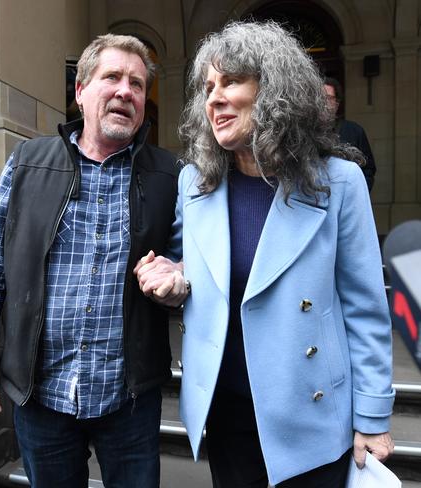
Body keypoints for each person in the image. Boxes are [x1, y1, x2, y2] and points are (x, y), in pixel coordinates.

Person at [135, 21, 395, 488]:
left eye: (230, 81)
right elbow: (191, 266)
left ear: (276, 90)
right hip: (229, 412)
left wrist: (372, 416)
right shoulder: (195, 183)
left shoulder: (338, 181)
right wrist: (174, 277)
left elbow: (366, 310)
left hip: (312, 416)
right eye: (207, 87)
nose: (213, 98)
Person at [0, 33, 179, 488]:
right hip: (42, 394)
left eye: (137, 84)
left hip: (128, 396)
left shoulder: (170, 175)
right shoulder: (27, 164)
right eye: (112, 77)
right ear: (80, 91)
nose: (125, 91)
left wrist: (179, 275)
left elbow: (191, 261)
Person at [324, 77, 377, 191]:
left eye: (328, 98)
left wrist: (357, 194)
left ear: (337, 103)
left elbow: (368, 170)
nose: (323, 102)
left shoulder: (355, 131)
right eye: (319, 98)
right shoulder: (305, 132)